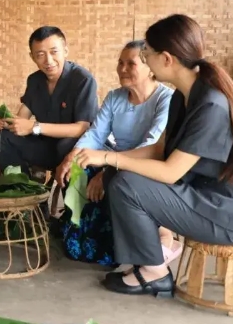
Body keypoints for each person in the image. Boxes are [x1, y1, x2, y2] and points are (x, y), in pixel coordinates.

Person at [74, 14, 233, 297]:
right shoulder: (182, 96)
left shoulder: (210, 105)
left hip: (221, 212)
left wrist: (110, 159)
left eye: (146, 54)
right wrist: (103, 158)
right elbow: (158, 149)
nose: (145, 59)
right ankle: (149, 259)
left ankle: (154, 271)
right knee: (121, 176)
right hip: (198, 196)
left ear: (167, 59)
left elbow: (170, 171)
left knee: (126, 183)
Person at [54, 40, 177, 267]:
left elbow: (153, 147)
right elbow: (95, 134)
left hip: (147, 166)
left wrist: (109, 171)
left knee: (117, 180)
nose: (122, 69)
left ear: (151, 67)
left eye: (130, 64)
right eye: (120, 62)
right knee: (81, 165)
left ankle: (160, 235)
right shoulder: (115, 97)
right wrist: (71, 158)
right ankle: (87, 234)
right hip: (114, 159)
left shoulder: (166, 100)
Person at [0, 26, 99, 176]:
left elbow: (83, 128)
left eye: (54, 52)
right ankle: (23, 188)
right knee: (1, 137)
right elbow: (21, 119)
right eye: (40, 54)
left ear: (65, 51)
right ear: (32, 57)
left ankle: (70, 197)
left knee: (66, 144)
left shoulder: (82, 79)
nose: (48, 61)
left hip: (72, 149)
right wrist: (0, 121)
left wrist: (35, 127)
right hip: (44, 147)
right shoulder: (34, 80)